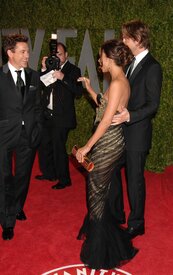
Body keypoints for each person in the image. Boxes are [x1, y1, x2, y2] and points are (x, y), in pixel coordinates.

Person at [76, 39, 137, 270]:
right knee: (99, 193)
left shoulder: (119, 84)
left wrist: (87, 147)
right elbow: (104, 106)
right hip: (110, 141)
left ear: (110, 59)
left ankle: (102, 251)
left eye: (101, 56)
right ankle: (106, 239)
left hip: (107, 143)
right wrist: (90, 89)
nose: (99, 60)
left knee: (96, 194)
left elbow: (106, 121)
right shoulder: (120, 81)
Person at [110, 20, 163, 239]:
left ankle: (137, 223)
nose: (123, 41)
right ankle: (118, 213)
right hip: (123, 131)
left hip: (138, 134)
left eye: (126, 37)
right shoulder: (130, 63)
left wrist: (130, 115)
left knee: (134, 179)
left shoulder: (152, 66)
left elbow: (153, 104)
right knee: (111, 170)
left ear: (138, 39)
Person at [0, 34, 42, 240]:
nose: (28, 55)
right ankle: (7, 221)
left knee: (23, 176)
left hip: (28, 135)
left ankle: (17, 206)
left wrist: (37, 128)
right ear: (10, 53)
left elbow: (37, 106)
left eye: (28, 51)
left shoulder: (34, 76)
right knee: (4, 177)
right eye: (23, 52)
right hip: (4, 136)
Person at [35, 42, 83, 189]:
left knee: (58, 147)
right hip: (46, 114)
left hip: (62, 117)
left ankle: (64, 180)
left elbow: (78, 91)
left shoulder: (73, 70)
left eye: (60, 54)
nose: (57, 57)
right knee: (44, 145)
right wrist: (44, 69)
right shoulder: (49, 67)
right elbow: (40, 85)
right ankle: (49, 173)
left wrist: (63, 77)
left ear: (66, 55)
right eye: (55, 55)